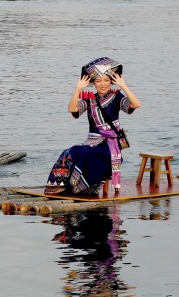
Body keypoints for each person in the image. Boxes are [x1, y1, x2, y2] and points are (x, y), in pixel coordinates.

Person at [46, 57, 141, 195]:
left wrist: (123, 85)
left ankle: (79, 186)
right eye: (98, 81)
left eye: (106, 80)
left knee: (84, 152)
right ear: (94, 83)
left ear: (111, 81)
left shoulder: (117, 97)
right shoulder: (89, 99)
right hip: (92, 142)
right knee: (71, 151)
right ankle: (60, 184)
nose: (103, 84)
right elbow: (72, 109)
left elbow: (136, 104)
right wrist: (78, 88)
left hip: (110, 146)